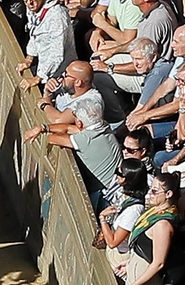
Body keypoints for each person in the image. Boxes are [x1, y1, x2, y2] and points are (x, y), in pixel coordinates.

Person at [25, 61, 123, 193]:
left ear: (78, 82)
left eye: (66, 75)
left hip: (102, 191)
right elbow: (69, 128)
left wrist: (44, 106)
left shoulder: (90, 102)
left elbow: (56, 128)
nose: (62, 76)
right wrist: (48, 92)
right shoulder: (100, 126)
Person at [121, 172, 184, 285]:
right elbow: (146, 246)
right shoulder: (155, 211)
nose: (150, 193)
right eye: (151, 189)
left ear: (168, 194)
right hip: (136, 270)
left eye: (155, 191)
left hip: (144, 284)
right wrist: (129, 263)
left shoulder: (163, 224)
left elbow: (158, 263)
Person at [99, 159, 150, 268]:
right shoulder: (125, 194)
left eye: (119, 173)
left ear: (128, 180)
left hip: (119, 256)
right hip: (115, 251)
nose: (116, 174)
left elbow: (113, 242)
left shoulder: (133, 210)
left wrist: (102, 218)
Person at [17, 0, 78, 91]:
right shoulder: (33, 7)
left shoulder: (58, 16)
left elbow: (57, 54)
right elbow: (34, 31)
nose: (29, 3)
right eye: (26, 0)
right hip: (42, 63)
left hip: (59, 74)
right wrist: (29, 58)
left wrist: (38, 78)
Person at [93, 39, 166, 115]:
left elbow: (140, 110)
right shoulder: (157, 66)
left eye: (139, 59)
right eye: (133, 59)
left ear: (153, 57)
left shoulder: (156, 75)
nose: (135, 64)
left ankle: (117, 117)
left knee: (98, 79)